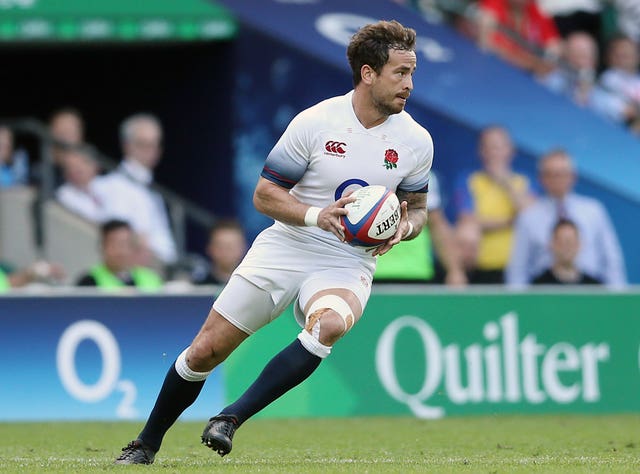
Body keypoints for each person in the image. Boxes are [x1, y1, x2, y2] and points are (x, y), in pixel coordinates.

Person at [115, 20, 432, 464]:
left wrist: (406, 227)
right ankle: (146, 443)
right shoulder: (316, 123)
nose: (410, 85)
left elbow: (417, 207)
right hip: (289, 243)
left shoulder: (415, 141)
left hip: (347, 261)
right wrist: (316, 215)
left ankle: (229, 418)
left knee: (329, 326)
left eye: (412, 73)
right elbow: (264, 195)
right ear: (367, 73)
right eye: (400, 73)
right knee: (206, 350)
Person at [506, 149, 626, 287]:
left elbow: (612, 260)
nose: (557, 179)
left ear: (573, 176)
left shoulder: (594, 210)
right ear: (541, 178)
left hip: (590, 292)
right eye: (551, 174)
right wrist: (519, 302)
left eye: (562, 174)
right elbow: (518, 267)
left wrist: (617, 298)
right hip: (544, 295)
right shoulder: (528, 216)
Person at [453, 125, 535, 283]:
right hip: (481, 268)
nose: (493, 153)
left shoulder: (524, 182)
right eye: (488, 147)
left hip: (518, 268)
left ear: (511, 151)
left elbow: (531, 215)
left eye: (498, 147)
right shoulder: (468, 180)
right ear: (480, 151)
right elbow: (467, 220)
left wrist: (505, 181)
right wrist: (510, 221)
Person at [96, 113, 177, 267]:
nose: (151, 151)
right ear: (127, 145)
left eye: (155, 144)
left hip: (160, 269)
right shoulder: (112, 185)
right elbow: (118, 234)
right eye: (143, 144)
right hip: (134, 269)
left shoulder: (153, 190)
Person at [375, 171, 467, 285]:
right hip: (368, 271)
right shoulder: (357, 169)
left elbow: (436, 224)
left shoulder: (420, 172)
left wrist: (454, 270)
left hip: (415, 271)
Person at [539, 32, 640, 126]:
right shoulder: (555, 79)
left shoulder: (598, 88)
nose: (581, 63)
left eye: (586, 57)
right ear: (566, 57)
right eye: (577, 56)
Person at [475, 0, 562, 74]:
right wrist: (533, 63)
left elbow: (553, 54)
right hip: (489, 71)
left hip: (522, 80)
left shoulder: (536, 11)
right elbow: (488, 48)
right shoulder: (493, 4)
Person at [76, 219, 163, 290]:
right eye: (114, 244)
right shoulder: (89, 282)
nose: (121, 251)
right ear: (102, 247)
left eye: (125, 244)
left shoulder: (152, 279)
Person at [531, 218, 601, 284]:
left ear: (579, 244)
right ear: (551, 244)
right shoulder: (537, 287)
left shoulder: (595, 287)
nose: (566, 248)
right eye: (561, 242)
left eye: (570, 242)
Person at [599, 34, 640, 134]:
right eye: (620, 55)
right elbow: (624, 111)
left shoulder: (637, 79)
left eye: (629, 54)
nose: (624, 58)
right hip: (618, 131)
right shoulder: (609, 78)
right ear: (611, 57)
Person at [55, 144, 107, 223]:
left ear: (94, 165)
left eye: (81, 164)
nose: (75, 170)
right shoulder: (64, 194)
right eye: (70, 166)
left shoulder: (109, 184)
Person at [192, 219, 248, 286]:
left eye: (231, 247)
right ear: (210, 248)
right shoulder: (196, 288)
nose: (226, 252)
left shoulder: (254, 285)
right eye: (221, 246)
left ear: (244, 248)